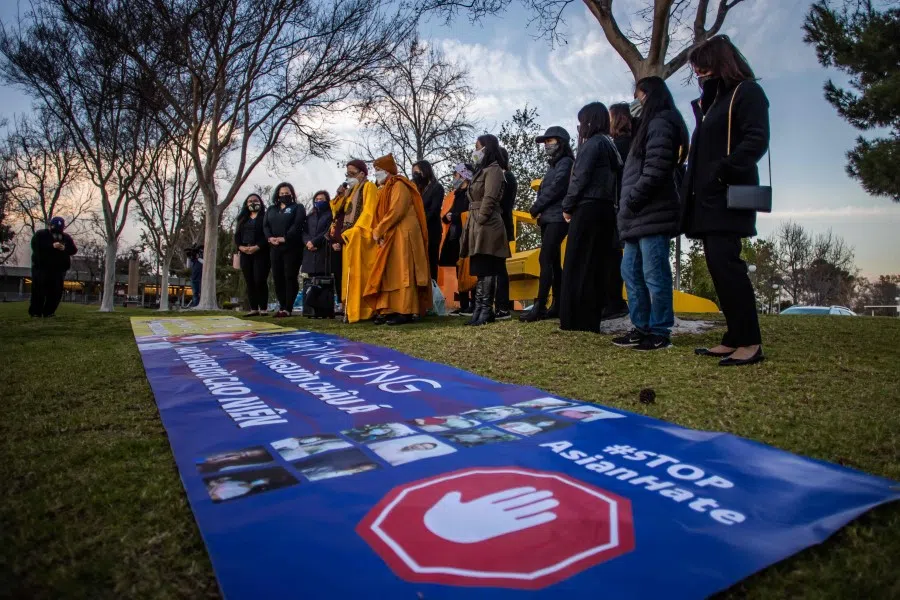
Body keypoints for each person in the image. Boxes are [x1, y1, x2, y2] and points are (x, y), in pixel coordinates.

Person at [681, 35, 769, 367]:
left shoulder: (747, 93)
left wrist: (723, 170)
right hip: (708, 197)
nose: (699, 73)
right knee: (718, 265)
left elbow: (757, 139)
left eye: (703, 65)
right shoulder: (714, 103)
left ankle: (750, 341)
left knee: (728, 264)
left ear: (720, 62)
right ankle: (734, 336)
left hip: (730, 193)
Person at [613, 77, 690, 351]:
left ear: (649, 95)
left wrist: (633, 200)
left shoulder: (660, 123)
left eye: (638, 95)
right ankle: (640, 326)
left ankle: (659, 330)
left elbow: (656, 169)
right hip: (635, 216)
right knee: (631, 273)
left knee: (654, 274)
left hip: (651, 212)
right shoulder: (644, 128)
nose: (635, 102)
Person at [558, 103, 622, 333]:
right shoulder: (609, 145)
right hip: (605, 209)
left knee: (576, 264)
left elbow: (580, 178)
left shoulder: (592, 144)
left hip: (587, 208)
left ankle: (573, 319)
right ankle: (589, 318)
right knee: (595, 266)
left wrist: (568, 206)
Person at [363, 153, 432, 325]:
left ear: (387, 171)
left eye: (379, 170)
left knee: (404, 273)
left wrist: (378, 230)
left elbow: (396, 211)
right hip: (391, 234)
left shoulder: (399, 185)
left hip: (404, 234)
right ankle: (389, 309)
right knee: (390, 273)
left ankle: (406, 310)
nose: (376, 174)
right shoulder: (385, 188)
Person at [521, 126, 574, 322]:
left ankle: (540, 305)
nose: (546, 145)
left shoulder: (566, 163)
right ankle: (557, 305)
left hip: (558, 218)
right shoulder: (553, 165)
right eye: (545, 142)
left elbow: (557, 188)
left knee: (545, 259)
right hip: (549, 218)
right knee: (552, 261)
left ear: (561, 142)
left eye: (549, 141)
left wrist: (536, 207)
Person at [459, 134, 510, 326]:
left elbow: (490, 197)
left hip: (487, 224)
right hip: (478, 224)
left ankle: (485, 310)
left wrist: (480, 218)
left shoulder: (494, 170)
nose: (475, 151)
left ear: (487, 148)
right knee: (480, 269)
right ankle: (479, 310)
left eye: (477, 147)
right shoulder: (482, 171)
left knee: (488, 268)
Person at [335, 160, 379, 323]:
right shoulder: (351, 192)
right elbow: (337, 212)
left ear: (362, 174)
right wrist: (340, 194)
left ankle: (365, 311)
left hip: (362, 238)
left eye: (352, 174)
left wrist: (356, 230)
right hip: (350, 239)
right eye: (347, 174)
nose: (349, 177)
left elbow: (369, 211)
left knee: (361, 276)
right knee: (349, 276)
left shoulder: (369, 187)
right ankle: (350, 310)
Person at [606, 103, 635, 319]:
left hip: (618, 205)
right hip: (621, 204)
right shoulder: (624, 144)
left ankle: (615, 301)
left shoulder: (620, 145)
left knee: (614, 256)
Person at [264, 182, 305, 317]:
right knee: (277, 277)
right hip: (274, 248)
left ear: (292, 194)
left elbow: (297, 225)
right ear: (277, 195)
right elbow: (265, 226)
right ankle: (281, 306)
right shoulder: (271, 209)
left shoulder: (297, 207)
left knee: (289, 276)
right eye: (282, 194)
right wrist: (270, 238)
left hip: (292, 248)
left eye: (287, 193)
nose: (284, 195)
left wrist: (285, 238)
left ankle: (288, 307)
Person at [441, 163, 477, 316]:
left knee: (470, 269)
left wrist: (454, 216)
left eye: (456, 175)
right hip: (455, 236)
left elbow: (469, 213)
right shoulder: (457, 194)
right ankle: (463, 304)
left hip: (467, 235)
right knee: (459, 269)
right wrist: (446, 217)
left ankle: (474, 304)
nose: (454, 178)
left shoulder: (471, 193)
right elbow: (450, 212)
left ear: (464, 176)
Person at [29, 216, 76, 318]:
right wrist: (51, 246)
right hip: (41, 268)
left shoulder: (66, 238)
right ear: (51, 226)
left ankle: (49, 311)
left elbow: (73, 250)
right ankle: (36, 312)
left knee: (55, 292)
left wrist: (65, 248)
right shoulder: (41, 235)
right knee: (39, 290)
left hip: (58, 270)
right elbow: (35, 246)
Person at [234, 194, 270, 316]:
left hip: (261, 252)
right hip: (245, 252)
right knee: (249, 281)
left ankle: (264, 308)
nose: (252, 203)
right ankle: (253, 308)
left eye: (255, 200)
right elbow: (237, 236)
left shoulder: (265, 217)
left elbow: (267, 235)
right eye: (250, 201)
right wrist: (241, 247)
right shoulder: (242, 219)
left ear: (260, 202)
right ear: (246, 203)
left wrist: (257, 246)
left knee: (260, 279)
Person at [411, 160, 444, 282]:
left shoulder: (437, 188)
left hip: (431, 231)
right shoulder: (417, 189)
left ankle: (432, 292)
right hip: (418, 231)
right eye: (413, 173)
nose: (415, 176)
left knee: (431, 262)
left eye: (417, 172)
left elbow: (433, 210)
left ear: (425, 171)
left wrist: (418, 220)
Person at [495, 147, 517, 320]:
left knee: (500, 267)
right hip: (497, 225)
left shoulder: (507, 177)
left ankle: (503, 306)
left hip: (501, 225)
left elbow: (504, 204)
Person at [302, 191, 334, 278]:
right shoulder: (310, 215)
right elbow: (304, 231)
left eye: (321, 199)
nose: (319, 201)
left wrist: (314, 242)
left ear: (327, 201)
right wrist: (308, 242)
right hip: (310, 253)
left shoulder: (331, 215)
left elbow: (328, 230)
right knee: (310, 283)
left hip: (323, 253)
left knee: (323, 284)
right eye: (317, 199)